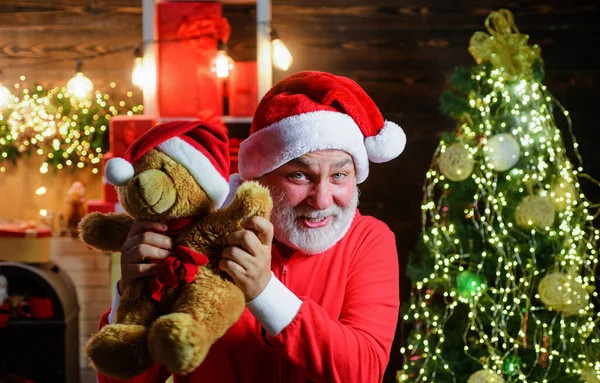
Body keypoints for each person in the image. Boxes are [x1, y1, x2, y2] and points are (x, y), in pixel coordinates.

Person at [96, 70, 406, 383]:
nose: (322, 200)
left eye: (339, 175)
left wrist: (263, 290)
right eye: (299, 175)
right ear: (257, 179)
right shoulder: (196, 238)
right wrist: (130, 292)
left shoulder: (368, 239)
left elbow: (364, 371)